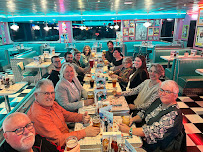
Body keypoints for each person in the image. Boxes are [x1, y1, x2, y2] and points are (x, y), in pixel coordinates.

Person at [27, 79, 100, 147]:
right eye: (46, 93)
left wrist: (81, 117)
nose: (50, 96)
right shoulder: (39, 115)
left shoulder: (52, 104)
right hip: (61, 147)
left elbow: (66, 115)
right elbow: (59, 140)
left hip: (67, 136)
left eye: (52, 93)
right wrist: (84, 132)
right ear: (36, 95)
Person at [118, 80, 185, 152]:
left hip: (159, 147)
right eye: (161, 90)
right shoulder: (158, 101)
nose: (163, 93)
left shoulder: (173, 114)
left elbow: (151, 132)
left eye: (168, 92)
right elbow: (144, 112)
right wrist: (132, 119)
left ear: (175, 95)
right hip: (144, 139)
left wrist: (129, 130)